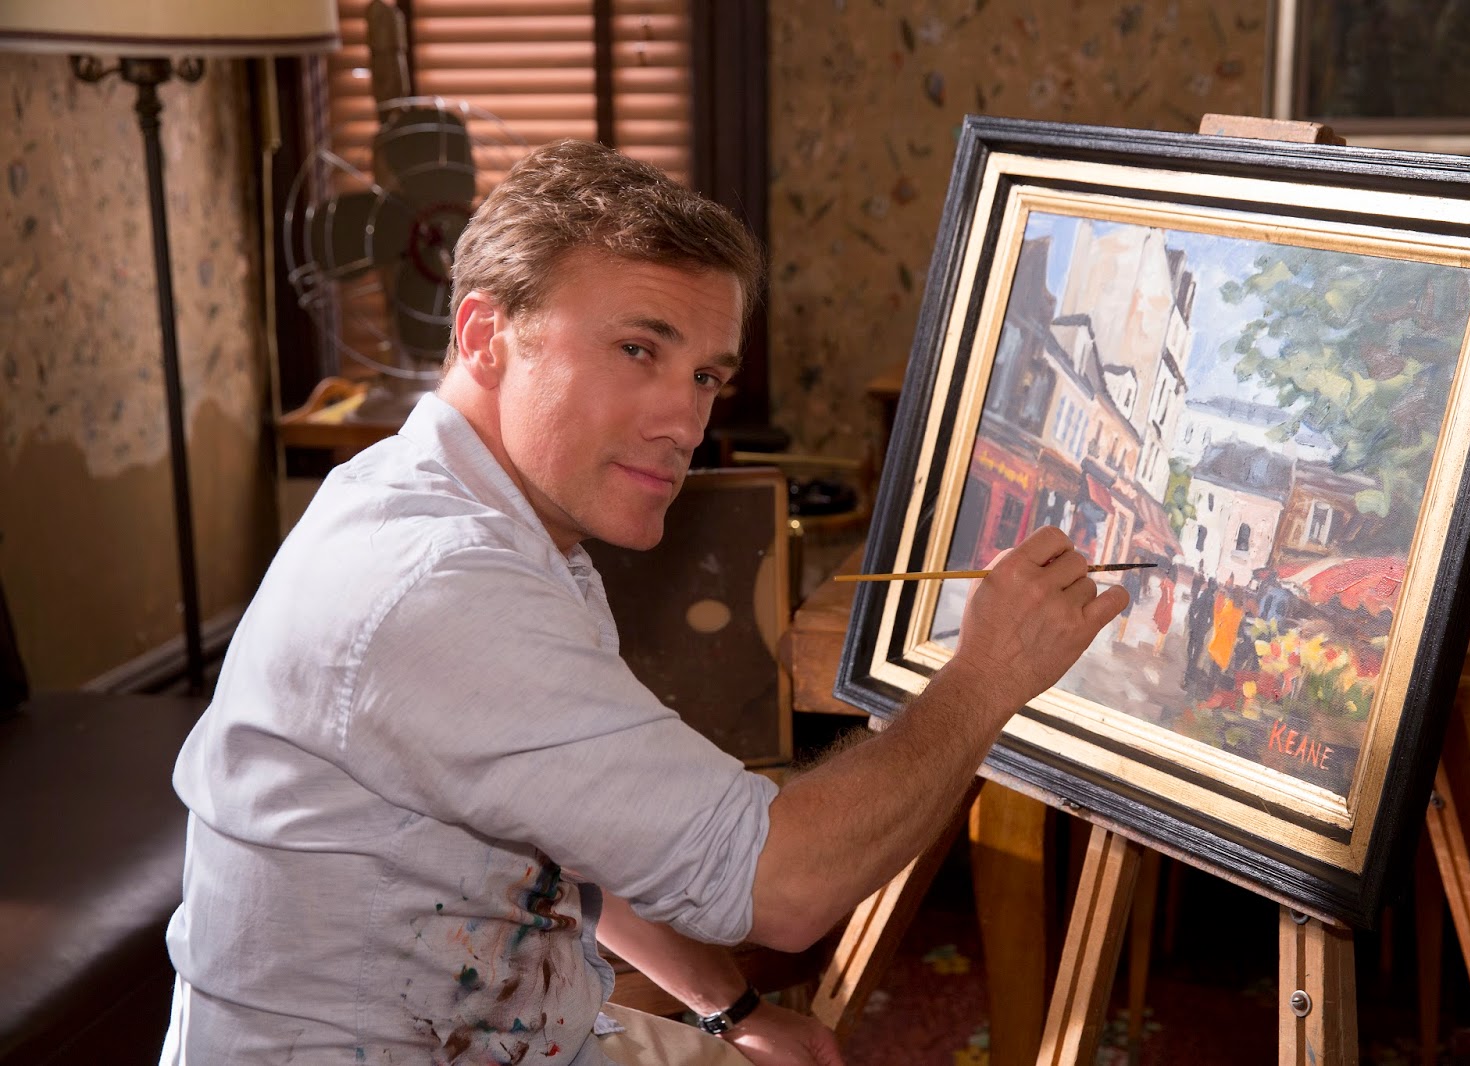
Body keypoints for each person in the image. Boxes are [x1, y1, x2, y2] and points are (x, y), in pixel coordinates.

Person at [160, 140, 1128, 1066]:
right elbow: (784, 888)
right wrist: (985, 676)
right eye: (636, 349)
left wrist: (729, 1006)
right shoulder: (442, 583)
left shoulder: (471, 510)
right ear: (485, 336)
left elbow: (575, 825)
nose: (684, 422)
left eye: (705, 376)